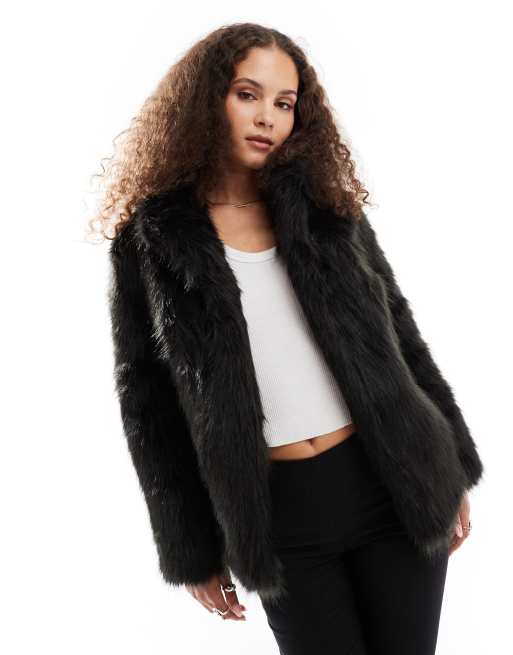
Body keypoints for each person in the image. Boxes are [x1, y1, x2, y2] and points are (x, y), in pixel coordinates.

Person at [92, 22, 484, 655]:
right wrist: (190, 550)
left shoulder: (326, 209)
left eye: (284, 102)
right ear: (207, 99)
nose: (267, 117)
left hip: (390, 481)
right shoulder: (152, 240)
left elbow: (401, 333)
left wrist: (453, 462)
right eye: (247, 94)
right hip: (283, 515)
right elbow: (147, 405)